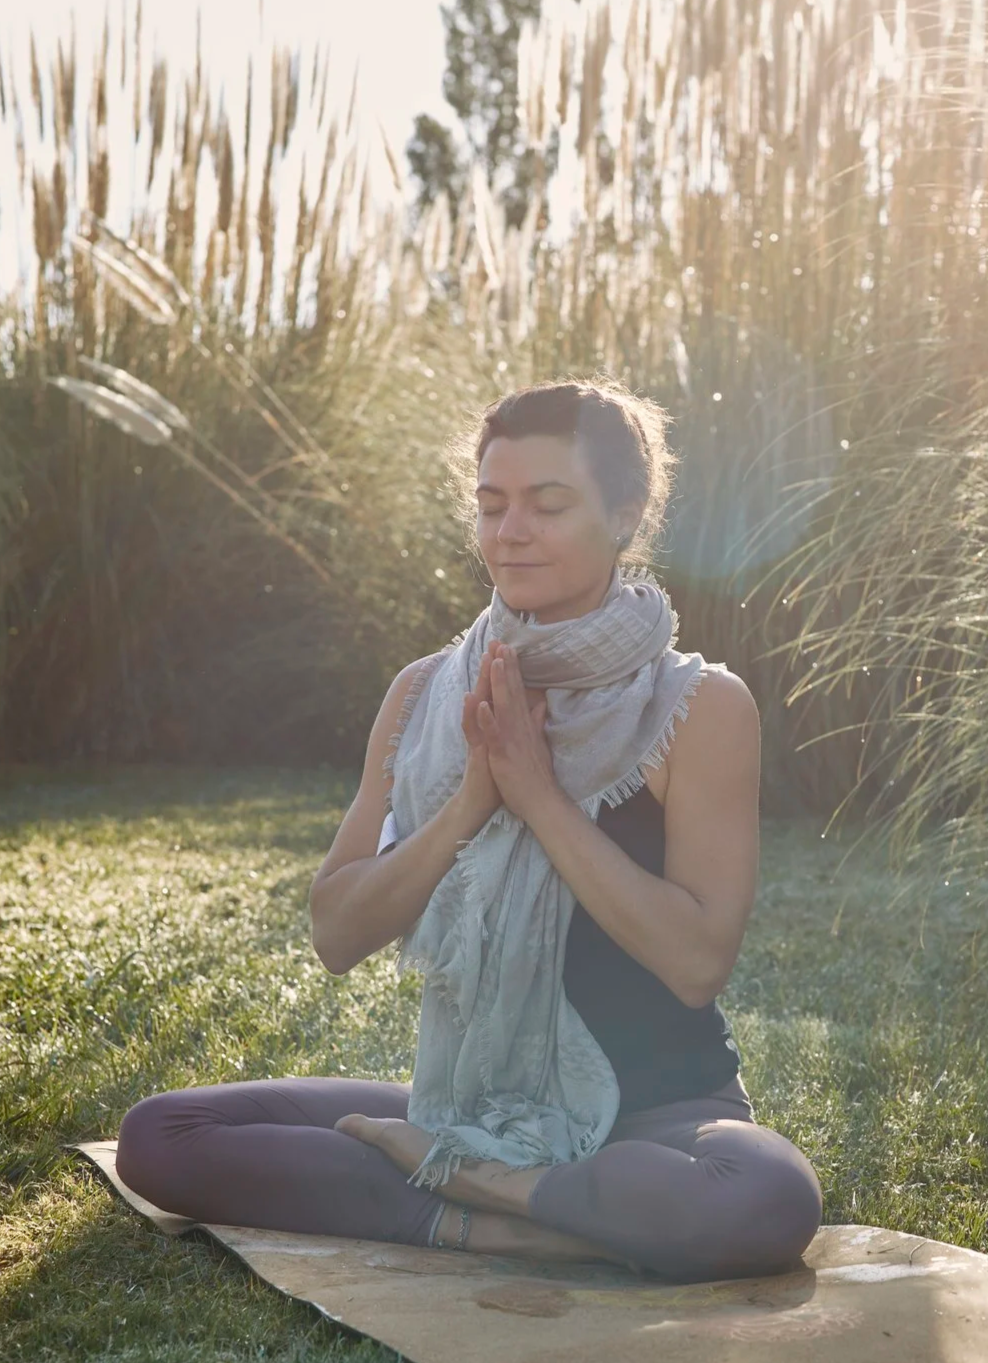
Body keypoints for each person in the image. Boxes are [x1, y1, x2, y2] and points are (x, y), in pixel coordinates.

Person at [116, 377, 822, 1283]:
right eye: (492, 505)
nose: (510, 531)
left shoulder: (698, 706)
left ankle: (478, 1195)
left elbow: (695, 962)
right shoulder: (424, 694)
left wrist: (538, 795)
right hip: (470, 1107)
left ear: (627, 513)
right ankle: (522, 1215)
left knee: (764, 1195)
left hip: (660, 1117)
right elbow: (337, 934)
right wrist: (469, 805)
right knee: (164, 1135)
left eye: (547, 504)